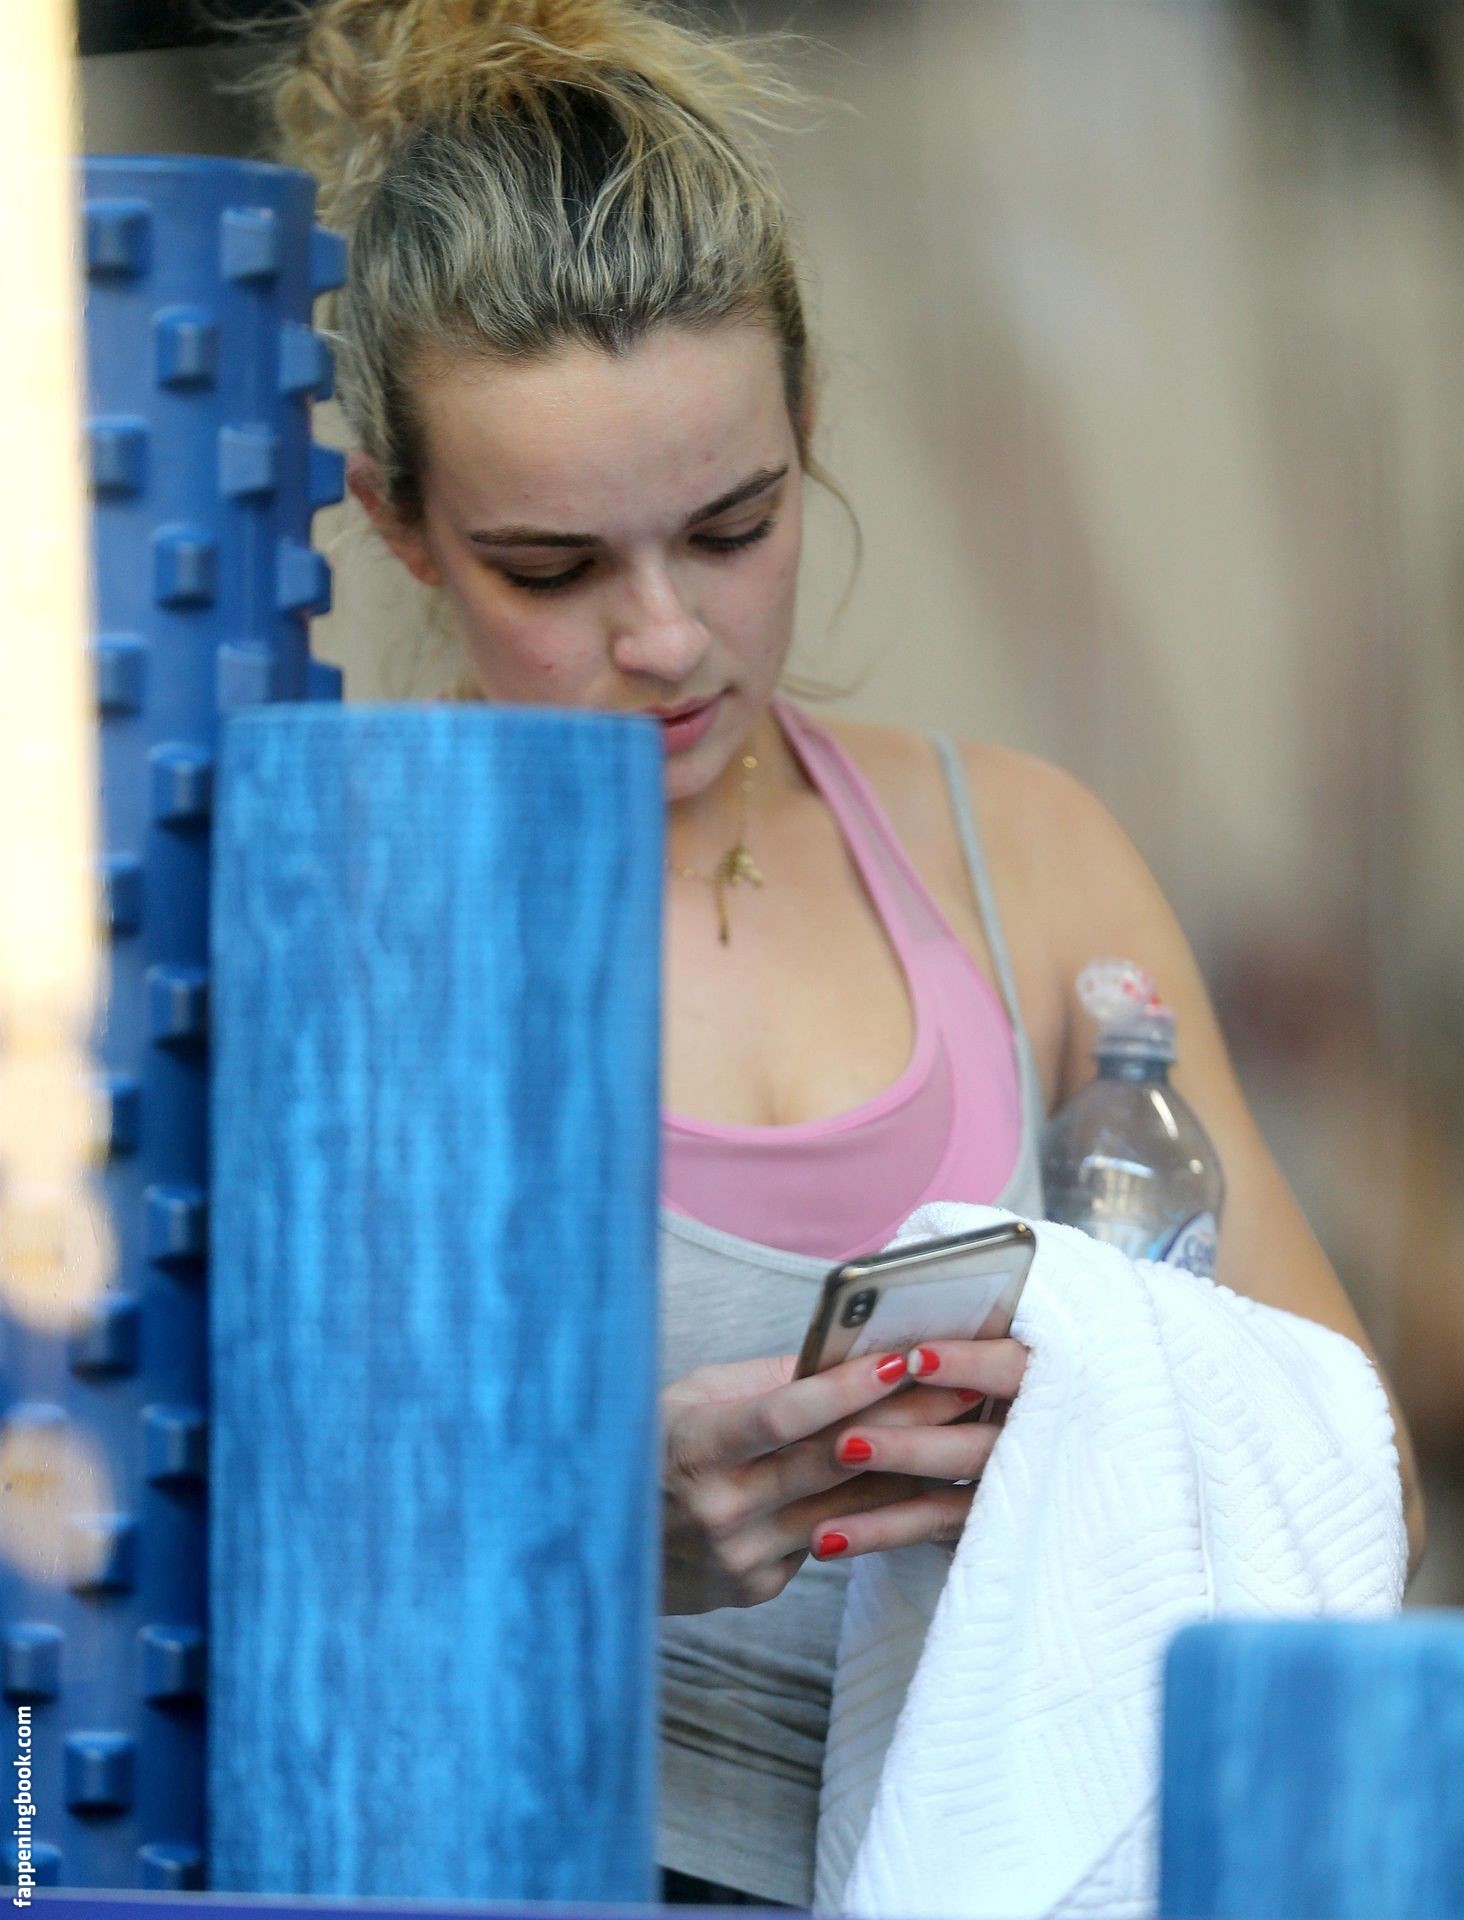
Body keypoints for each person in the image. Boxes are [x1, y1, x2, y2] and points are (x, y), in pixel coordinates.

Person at [256, 1, 1426, 1906]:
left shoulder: (1025, 854)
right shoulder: (324, 916)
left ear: (810, 427)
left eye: (734, 527)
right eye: (552, 569)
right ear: (400, 526)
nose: (666, 637)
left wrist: (1114, 1418)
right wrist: (584, 1537)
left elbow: (1355, 1484)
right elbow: (153, 1569)